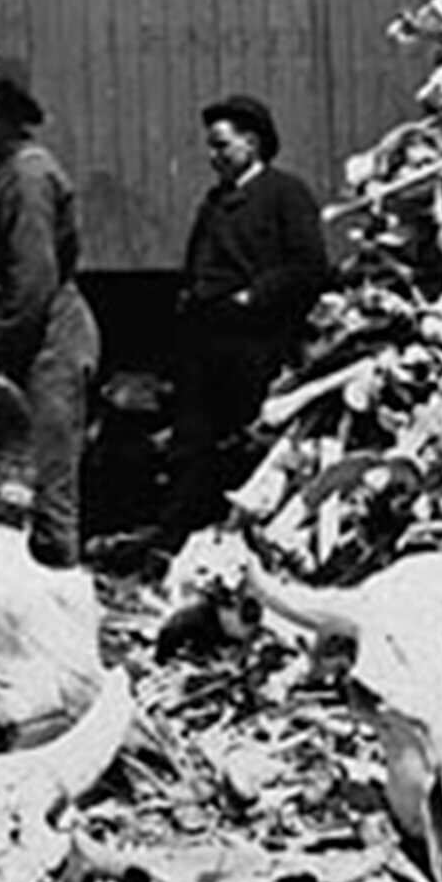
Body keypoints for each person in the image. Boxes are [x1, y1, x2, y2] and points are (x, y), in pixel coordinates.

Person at [0, 53, 101, 568]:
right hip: (34, 342)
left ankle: (58, 611)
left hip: (44, 346)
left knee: (47, 490)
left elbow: (31, 281)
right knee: (12, 490)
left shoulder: (28, 177)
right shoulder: (8, 174)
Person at [159, 93, 329, 550]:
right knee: (195, 445)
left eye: (222, 146)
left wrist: (253, 295)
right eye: (211, 147)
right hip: (206, 339)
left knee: (246, 446)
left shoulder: (285, 194)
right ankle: (183, 543)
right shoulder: (215, 201)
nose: (212, 157)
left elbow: (310, 267)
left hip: (256, 341)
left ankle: (242, 544)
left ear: (252, 144)